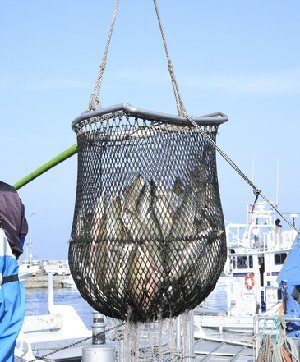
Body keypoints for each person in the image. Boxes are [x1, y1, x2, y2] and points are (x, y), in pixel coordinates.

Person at [0, 181, 28, 361]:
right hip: (10, 284)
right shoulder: (10, 192)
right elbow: (22, 232)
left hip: (9, 279)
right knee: (5, 345)